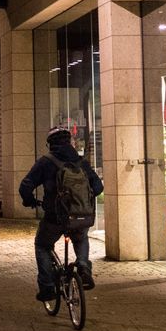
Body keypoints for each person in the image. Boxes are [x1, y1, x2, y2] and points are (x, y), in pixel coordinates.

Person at [19, 127, 104, 302]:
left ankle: (47, 287)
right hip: (81, 217)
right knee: (80, 238)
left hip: (55, 217)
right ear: (70, 142)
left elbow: (25, 186)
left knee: (42, 245)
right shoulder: (82, 163)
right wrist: (81, 201)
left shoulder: (45, 162)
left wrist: (29, 201)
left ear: (50, 144)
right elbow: (98, 187)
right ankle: (83, 266)